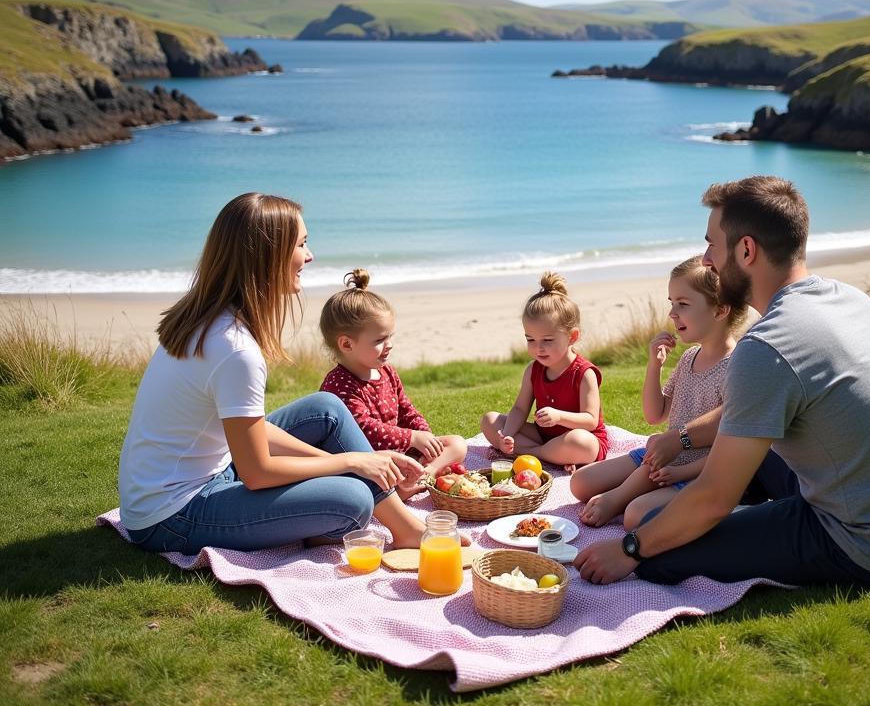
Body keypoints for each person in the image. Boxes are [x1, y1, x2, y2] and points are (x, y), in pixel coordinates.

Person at [575, 175, 870, 588]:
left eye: (711, 243)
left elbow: (711, 499)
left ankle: (748, 518)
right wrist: (683, 438)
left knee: (660, 542)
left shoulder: (768, 347)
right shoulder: (848, 297)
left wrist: (627, 549)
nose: (706, 258)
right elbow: (754, 406)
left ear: (746, 250)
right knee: (705, 490)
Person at [118, 192, 434, 554]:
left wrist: (354, 462)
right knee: (353, 500)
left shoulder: (207, 319)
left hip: (205, 475)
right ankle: (362, 521)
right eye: (301, 244)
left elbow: (250, 432)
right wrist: (349, 463)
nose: (310, 256)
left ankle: (406, 528)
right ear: (268, 257)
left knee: (326, 409)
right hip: (172, 515)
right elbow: (256, 473)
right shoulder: (234, 348)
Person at [571, 256, 743, 528]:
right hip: (663, 458)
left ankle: (619, 498)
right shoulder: (689, 358)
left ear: (721, 309)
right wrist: (654, 366)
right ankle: (625, 494)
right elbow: (655, 415)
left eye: (683, 304)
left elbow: (731, 451)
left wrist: (679, 472)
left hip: (698, 471)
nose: (672, 313)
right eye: (671, 303)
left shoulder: (735, 368)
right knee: (580, 483)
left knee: (635, 516)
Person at [318, 269, 467, 499]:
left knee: (457, 444)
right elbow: (365, 428)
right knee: (368, 484)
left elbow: (406, 409)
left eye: (390, 337)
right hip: (369, 461)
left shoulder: (386, 371)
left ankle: (423, 474)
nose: (389, 345)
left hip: (401, 454)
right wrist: (411, 438)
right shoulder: (339, 384)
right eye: (379, 340)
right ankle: (403, 486)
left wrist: (425, 437)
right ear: (347, 344)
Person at [481, 271, 608, 469]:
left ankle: (531, 453)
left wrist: (559, 417)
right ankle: (548, 454)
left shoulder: (584, 373)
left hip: (581, 438)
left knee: (580, 442)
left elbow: (590, 421)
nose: (538, 348)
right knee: (490, 420)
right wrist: (508, 434)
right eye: (530, 339)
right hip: (544, 436)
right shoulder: (533, 370)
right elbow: (520, 409)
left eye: (547, 341)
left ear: (572, 337)